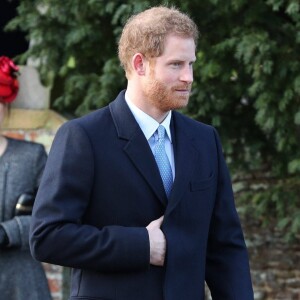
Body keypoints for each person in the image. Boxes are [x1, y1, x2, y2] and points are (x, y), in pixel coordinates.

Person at [30, 6, 254, 300]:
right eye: (176, 65)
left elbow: (225, 246)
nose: (188, 77)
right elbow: (47, 237)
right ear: (139, 64)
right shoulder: (84, 137)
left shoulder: (204, 140)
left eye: (191, 64)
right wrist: (140, 245)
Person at [0, 56, 52, 300]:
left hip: (21, 282)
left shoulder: (32, 156)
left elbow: (52, 215)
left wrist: (9, 231)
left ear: (6, 107)